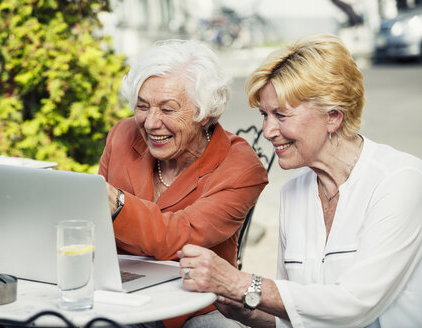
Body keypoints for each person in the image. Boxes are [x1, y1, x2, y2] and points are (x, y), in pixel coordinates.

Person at [178, 33, 422, 327]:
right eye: (264, 115)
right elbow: (298, 313)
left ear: (333, 116)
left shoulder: (400, 180)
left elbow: (356, 304)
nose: (268, 130)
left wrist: (240, 283)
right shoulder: (293, 191)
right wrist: (247, 311)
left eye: (281, 115)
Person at [98, 39, 268, 327]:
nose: (150, 123)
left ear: (206, 113)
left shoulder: (240, 168)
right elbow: (93, 226)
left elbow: (180, 236)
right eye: (142, 106)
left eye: (167, 110)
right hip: (120, 296)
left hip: (194, 306)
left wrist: (118, 202)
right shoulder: (123, 134)